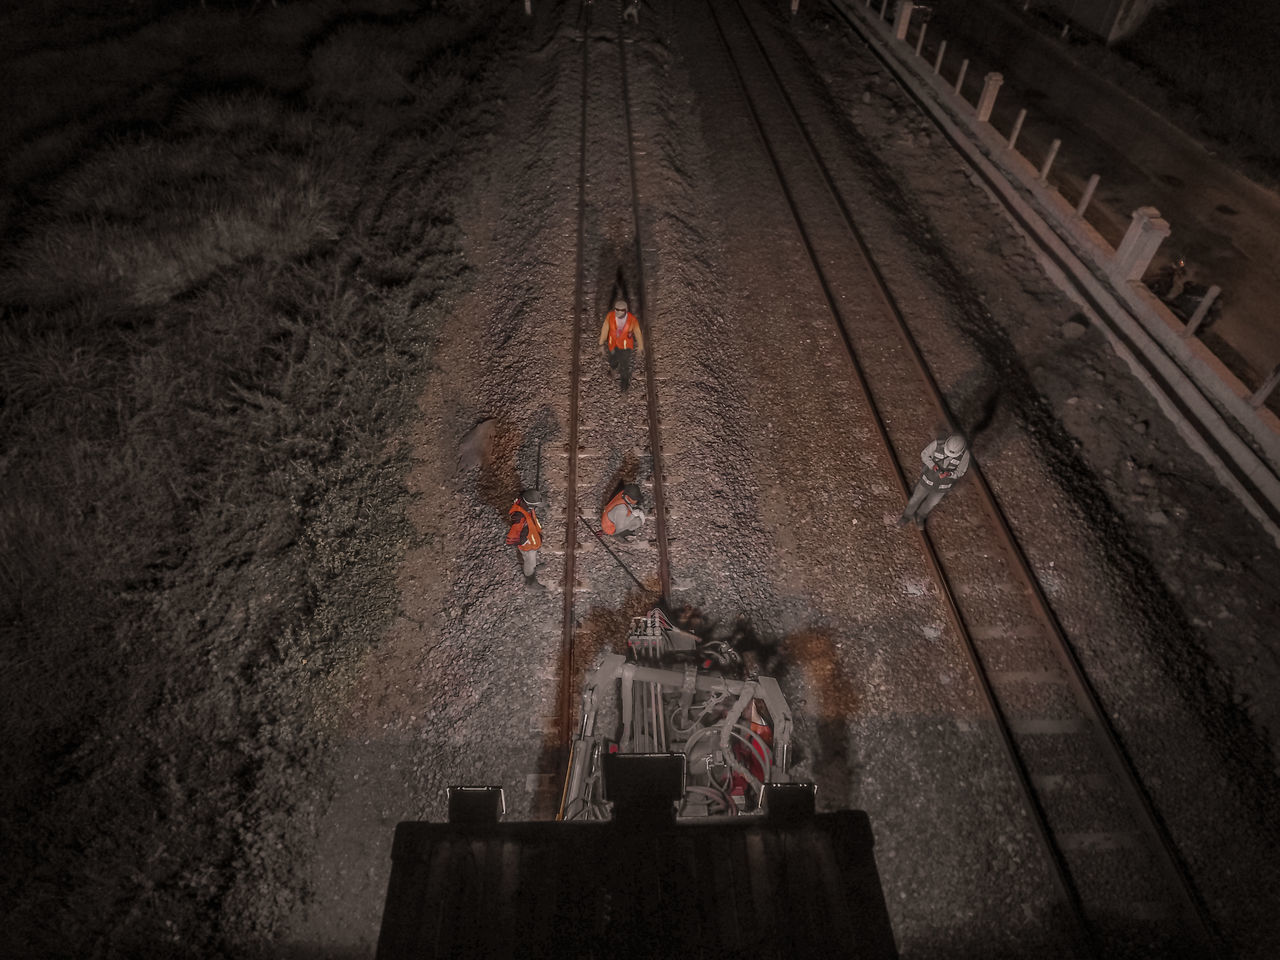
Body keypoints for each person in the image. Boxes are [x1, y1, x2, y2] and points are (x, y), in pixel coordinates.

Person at [898, 433, 970, 529]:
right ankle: (906, 516)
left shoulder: (965, 455)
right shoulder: (937, 444)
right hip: (927, 479)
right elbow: (924, 455)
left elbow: (961, 471)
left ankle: (920, 516)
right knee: (916, 498)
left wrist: (950, 474)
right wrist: (932, 465)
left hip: (943, 486)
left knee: (931, 503)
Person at [599, 298, 644, 392]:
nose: (618, 312)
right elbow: (605, 329)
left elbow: (637, 332)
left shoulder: (632, 320)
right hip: (613, 344)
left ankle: (624, 390)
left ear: (626, 310)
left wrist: (640, 346)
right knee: (612, 360)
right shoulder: (610, 316)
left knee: (624, 368)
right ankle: (613, 368)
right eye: (617, 309)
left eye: (621, 310)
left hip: (625, 347)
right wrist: (601, 343)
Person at [506, 490, 545, 590]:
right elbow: (515, 532)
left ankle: (534, 568)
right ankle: (530, 581)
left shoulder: (523, 506)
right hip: (527, 544)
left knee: (532, 558)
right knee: (529, 561)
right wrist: (524, 541)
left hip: (531, 538)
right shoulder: (519, 515)